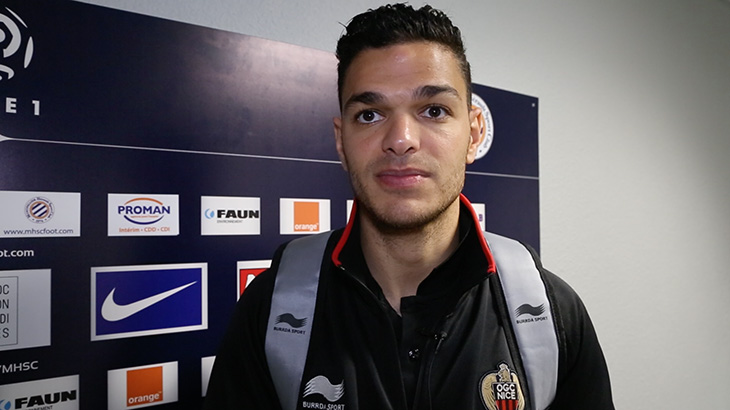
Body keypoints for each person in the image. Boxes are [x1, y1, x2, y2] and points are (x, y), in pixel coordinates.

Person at [204, 4, 614, 410]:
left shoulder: (553, 315)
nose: (401, 139)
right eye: (369, 115)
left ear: (474, 135)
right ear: (341, 142)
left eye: (434, 111)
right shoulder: (271, 308)